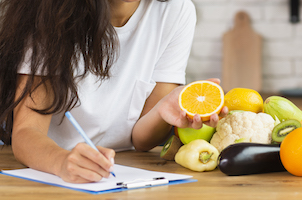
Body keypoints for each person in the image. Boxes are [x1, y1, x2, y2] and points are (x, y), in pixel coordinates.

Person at [0, 0, 228, 183]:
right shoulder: (50, 11)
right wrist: (62, 162)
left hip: (123, 170)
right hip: (50, 169)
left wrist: (162, 111)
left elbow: (140, 140)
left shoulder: (176, 11)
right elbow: (26, 132)